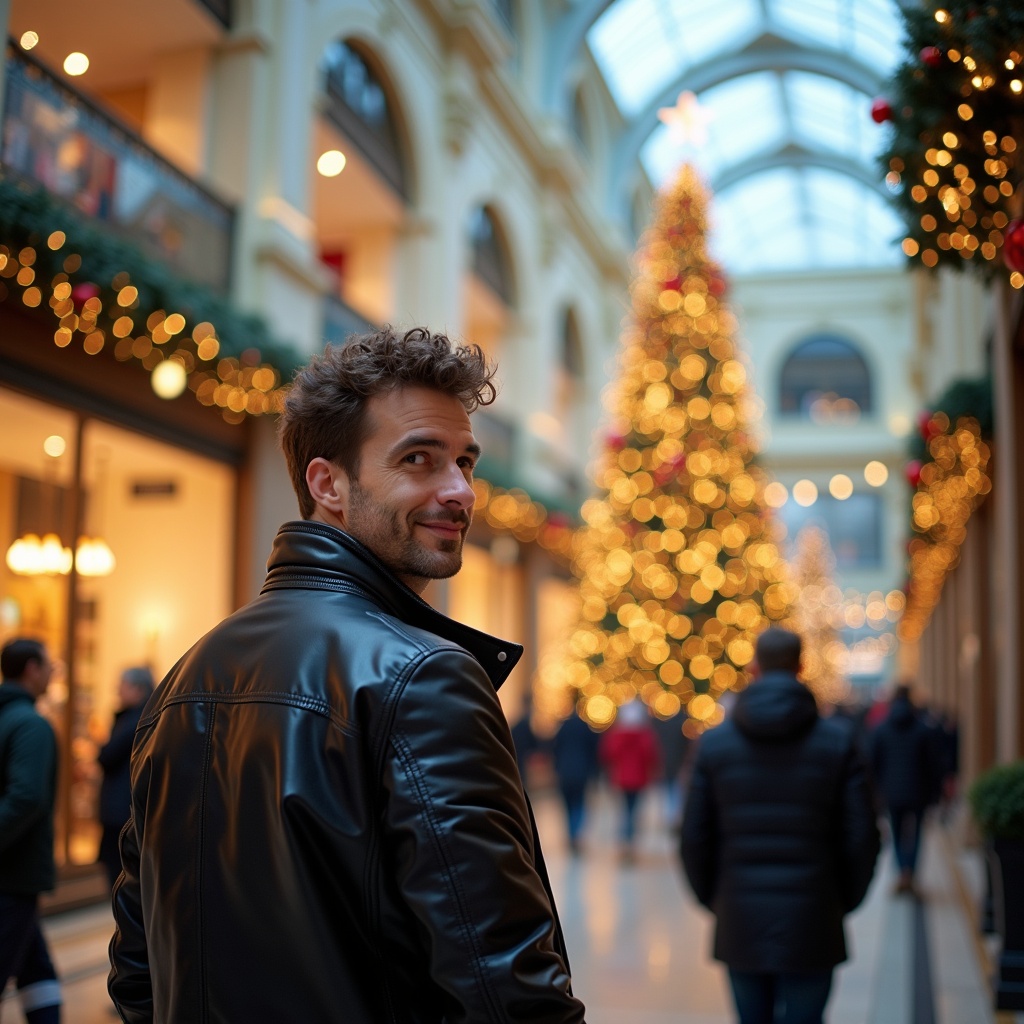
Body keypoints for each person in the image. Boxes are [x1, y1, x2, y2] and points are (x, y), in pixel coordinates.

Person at [109, 327, 586, 1024]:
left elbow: (136, 972)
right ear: (327, 483)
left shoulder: (188, 674)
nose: (459, 491)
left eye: (465, 463)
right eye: (419, 460)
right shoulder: (424, 676)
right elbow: (505, 989)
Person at [680, 628, 879, 1024]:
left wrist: (715, 899)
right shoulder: (838, 743)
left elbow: (693, 837)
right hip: (814, 916)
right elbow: (863, 837)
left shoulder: (715, 745)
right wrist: (842, 901)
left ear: (753, 668)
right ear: (801, 667)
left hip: (741, 918)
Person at [0, 638, 62, 1023]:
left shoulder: (8, 717)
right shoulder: (31, 725)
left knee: (36, 967)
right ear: (31, 669)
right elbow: (26, 798)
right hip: (14, 875)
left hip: (11, 875)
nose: (53, 671)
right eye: (48, 664)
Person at [869, 683, 944, 895]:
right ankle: (910, 872)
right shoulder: (923, 729)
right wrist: (935, 793)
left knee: (897, 833)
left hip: (891, 792)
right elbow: (933, 764)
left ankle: (902, 871)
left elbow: (872, 763)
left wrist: (875, 792)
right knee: (917, 834)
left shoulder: (881, 729)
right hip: (918, 791)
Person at [96, 666, 155, 889]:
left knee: (120, 876)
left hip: (121, 810)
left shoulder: (134, 721)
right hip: (131, 808)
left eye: (123, 685)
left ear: (138, 689)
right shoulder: (148, 717)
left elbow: (107, 756)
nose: (117, 691)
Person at [599, 699, 660, 861]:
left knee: (625, 810)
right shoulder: (644, 735)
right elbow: (651, 755)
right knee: (633, 811)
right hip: (639, 779)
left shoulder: (616, 735)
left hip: (621, 779)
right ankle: (630, 842)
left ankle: (625, 841)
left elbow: (608, 754)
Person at [552, 707, 601, 855]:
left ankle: (571, 834)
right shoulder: (585, 728)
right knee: (578, 804)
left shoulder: (562, 728)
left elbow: (554, 748)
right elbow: (594, 751)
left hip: (564, 772)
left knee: (567, 806)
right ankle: (575, 834)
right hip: (582, 772)